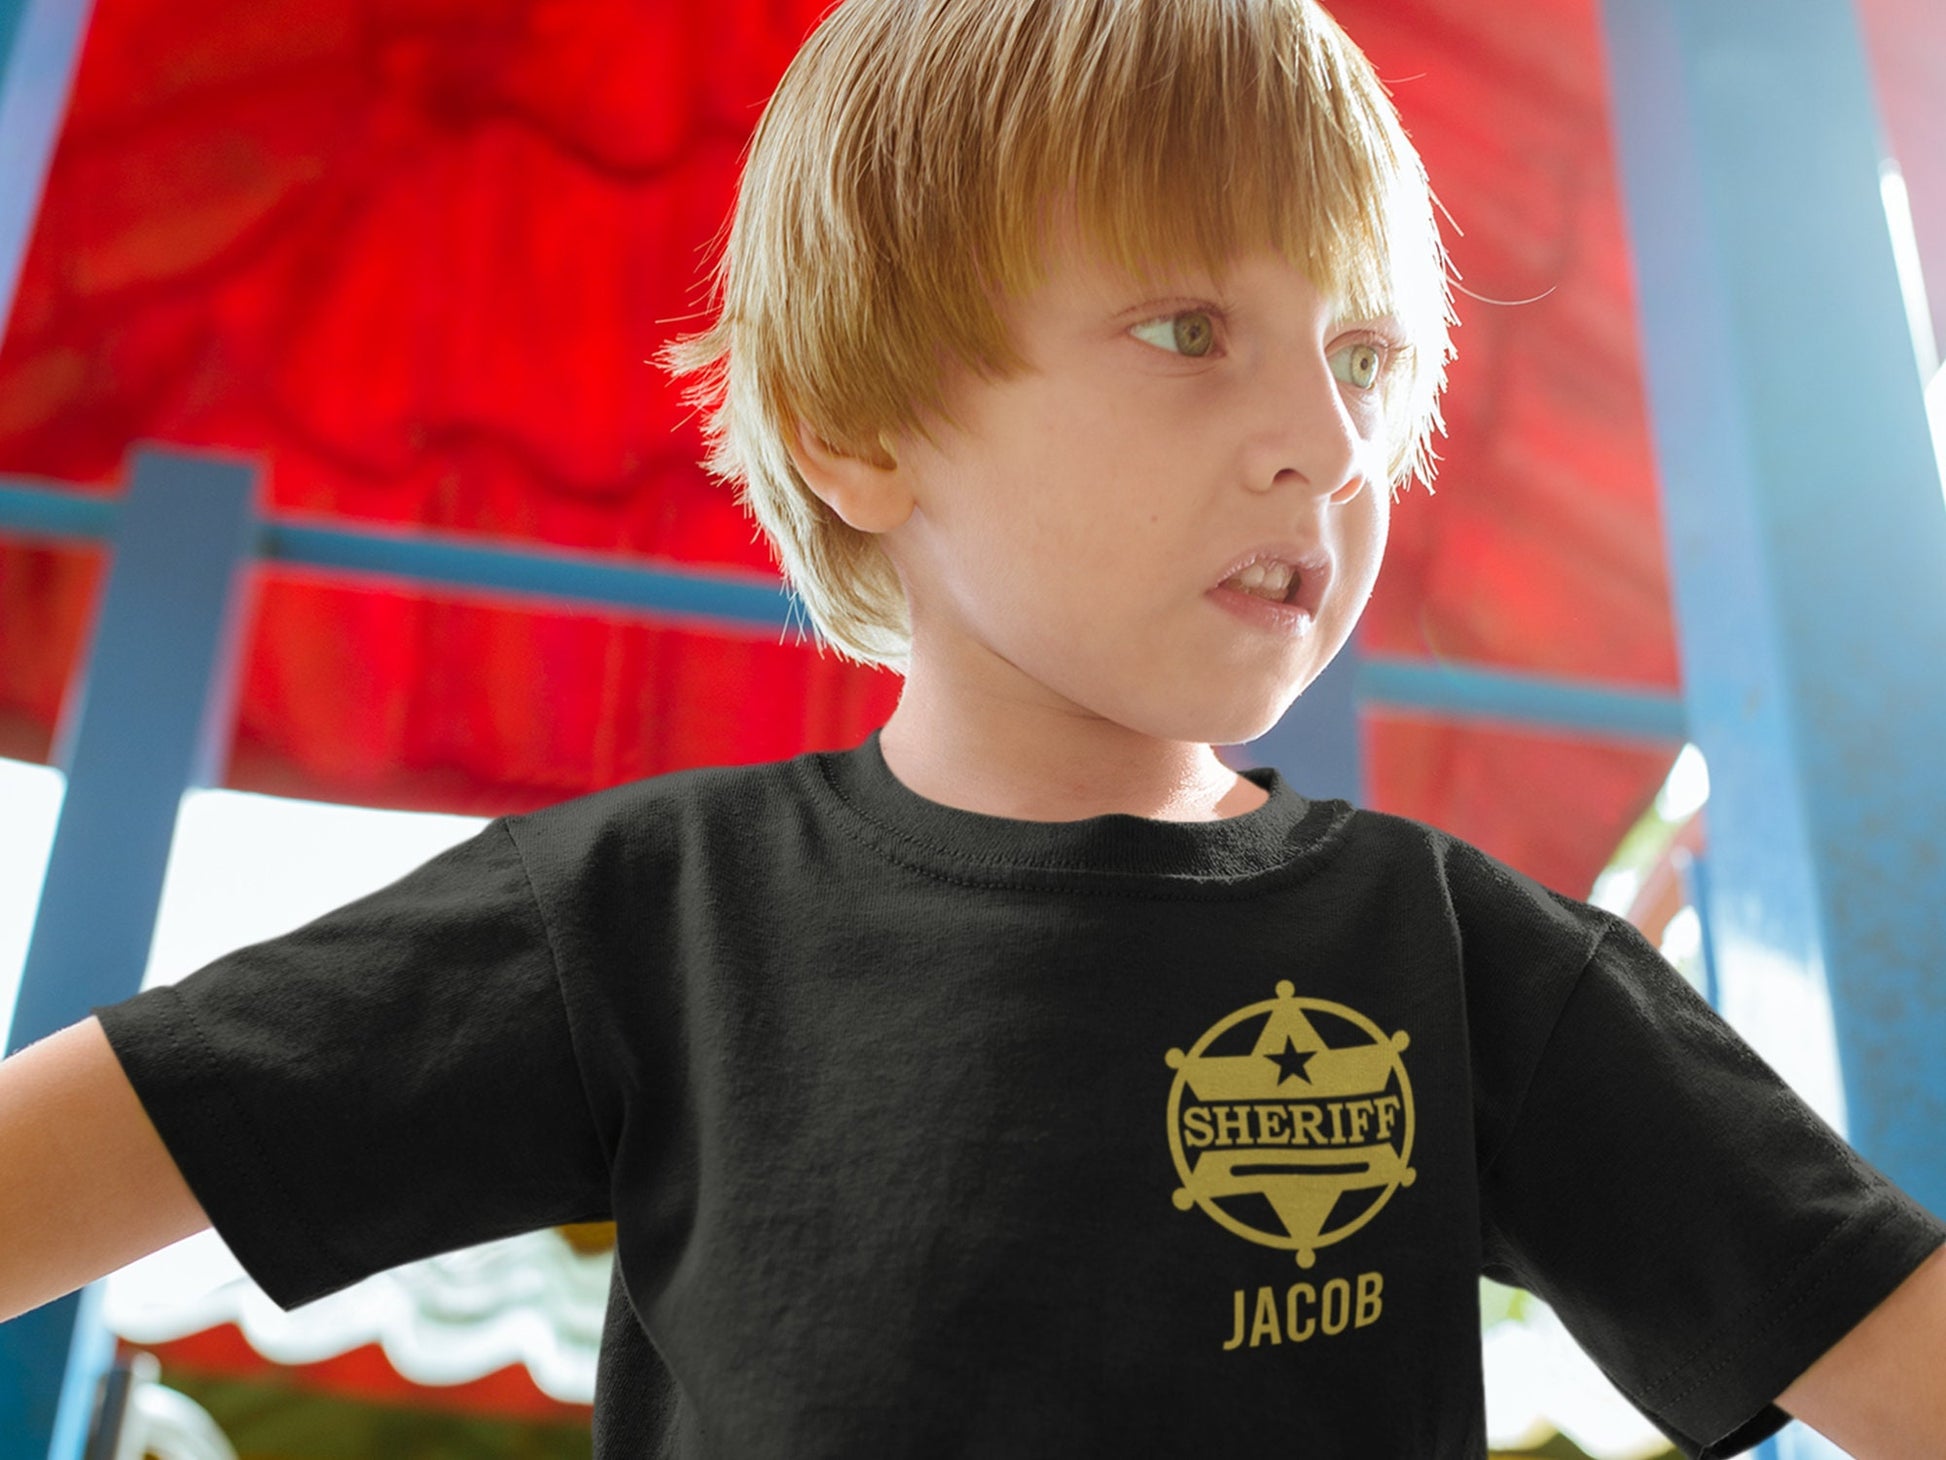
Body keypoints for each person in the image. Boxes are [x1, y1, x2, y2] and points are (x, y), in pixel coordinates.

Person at [3, 0, 1943, 1455]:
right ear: (863, 427)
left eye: (1362, 356)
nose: (1330, 440)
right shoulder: (644, 921)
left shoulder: (1458, 963)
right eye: (1189, 330)